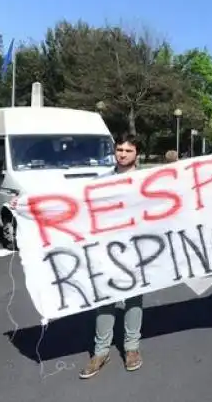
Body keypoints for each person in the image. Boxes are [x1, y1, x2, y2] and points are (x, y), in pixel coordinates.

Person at [79, 135, 144, 379]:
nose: (123, 154)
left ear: (137, 154)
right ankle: (100, 351)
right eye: (120, 149)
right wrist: (25, 205)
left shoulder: (148, 180)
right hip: (107, 249)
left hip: (138, 249)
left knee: (133, 299)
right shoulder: (101, 182)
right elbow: (77, 203)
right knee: (104, 299)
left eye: (129, 150)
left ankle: (131, 348)